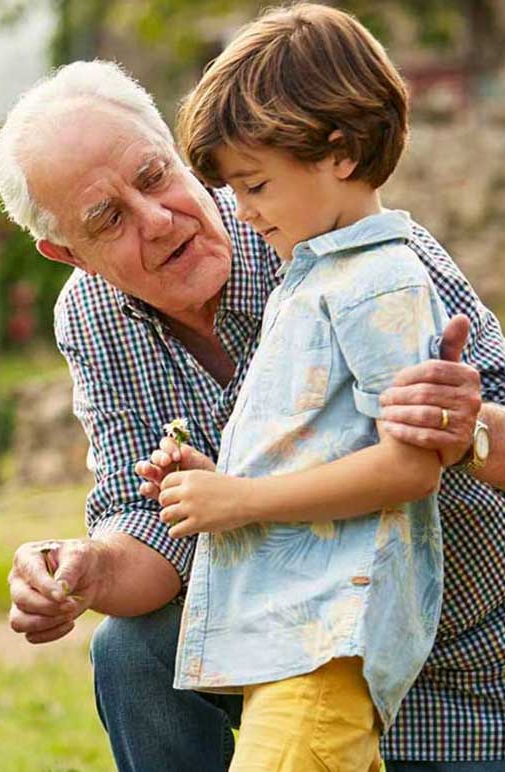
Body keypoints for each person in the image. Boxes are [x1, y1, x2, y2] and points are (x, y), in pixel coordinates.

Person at [0, 58, 505, 770]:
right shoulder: (92, 314)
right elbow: (151, 523)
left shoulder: (332, 230)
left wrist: (469, 429)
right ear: (65, 253)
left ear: (172, 146)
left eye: (153, 176)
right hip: (305, 655)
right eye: (109, 218)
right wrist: (86, 570)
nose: (158, 220)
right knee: (132, 650)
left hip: (487, 669)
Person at [132, 6, 451, 769]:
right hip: (291, 643)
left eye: (256, 184)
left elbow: (411, 466)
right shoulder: (314, 274)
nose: (241, 211)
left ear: (338, 153)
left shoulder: (380, 282)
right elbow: (321, 444)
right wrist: (218, 485)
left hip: (324, 645)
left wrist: (241, 503)